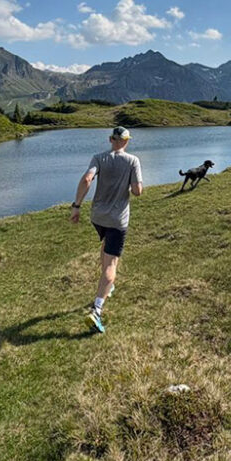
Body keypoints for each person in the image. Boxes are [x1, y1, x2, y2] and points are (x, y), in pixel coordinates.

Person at [69, 127, 143, 333]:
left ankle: (106, 288)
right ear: (126, 141)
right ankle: (97, 310)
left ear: (111, 139)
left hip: (98, 217)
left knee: (106, 246)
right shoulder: (132, 161)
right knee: (112, 265)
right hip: (117, 218)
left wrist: (76, 206)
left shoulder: (98, 158)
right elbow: (137, 191)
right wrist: (127, 185)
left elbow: (86, 179)